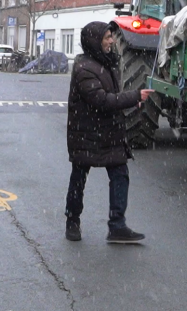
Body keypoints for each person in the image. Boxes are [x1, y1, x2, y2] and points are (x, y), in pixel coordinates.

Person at [65, 21, 154, 243]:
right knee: (79, 178)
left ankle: (117, 226)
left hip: (109, 133)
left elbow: (111, 96)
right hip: (85, 133)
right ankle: (72, 221)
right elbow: (100, 101)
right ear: (95, 41)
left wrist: (129, 102)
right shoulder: (84, 68)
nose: (111, 41)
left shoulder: (106, 62)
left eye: (111, 37)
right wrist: (134, 96)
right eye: (106, 38)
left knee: (120, 174)